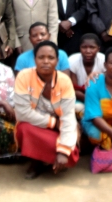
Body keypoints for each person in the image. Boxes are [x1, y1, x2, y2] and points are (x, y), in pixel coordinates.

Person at [14, 41, 79, 179]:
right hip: (35, 125)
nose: (45, 61)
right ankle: (35, 163)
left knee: (69, 154)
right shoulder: (24, 76)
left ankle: (55, 159)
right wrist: (52, 122)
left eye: (50, 58)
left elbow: (68, 117)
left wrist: (64, 150)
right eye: (41, 57)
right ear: (34, 59)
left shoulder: (64, 81)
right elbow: (22, 113)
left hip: (59, 127)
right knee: (24, 128)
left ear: (57, 60)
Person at [68, 34, 105, 115]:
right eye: (84, 47)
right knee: (74, 107)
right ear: (79, 48)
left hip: (101, 98)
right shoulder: (72, 60)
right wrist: (89, 100)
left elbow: (109, 85)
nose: (88, 51)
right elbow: (73, 89)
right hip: (81, 98)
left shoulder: (104, 60)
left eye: (92, 47)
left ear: (98, 49)